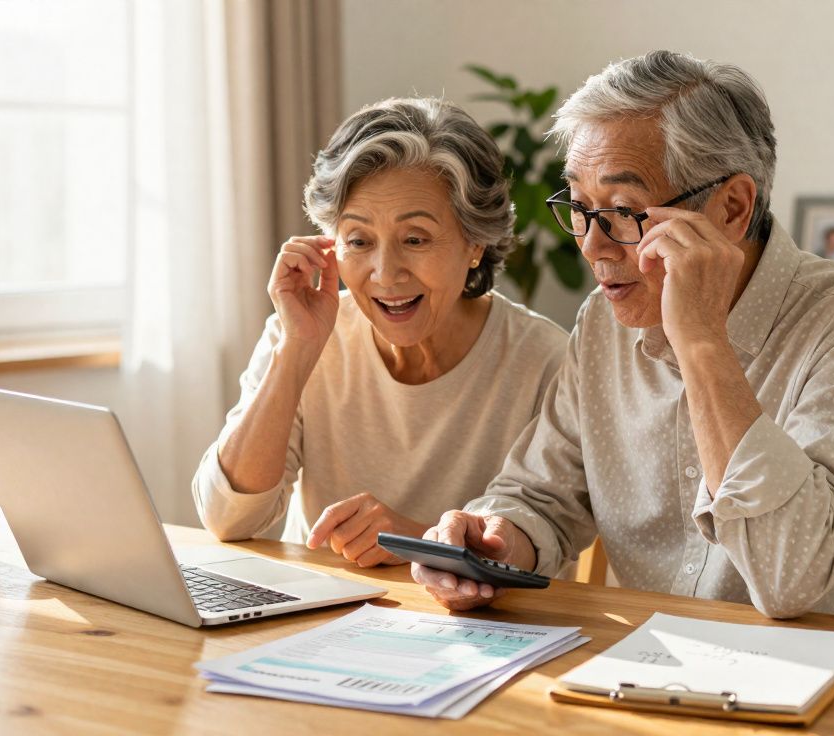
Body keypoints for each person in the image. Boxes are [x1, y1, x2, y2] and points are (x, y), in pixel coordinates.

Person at [413, 50, 834, 627]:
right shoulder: (602, 325)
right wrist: (490, 540)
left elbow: (791, 576)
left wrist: (702, 343)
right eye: (580, 208)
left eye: (622, 210)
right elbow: (542, 495)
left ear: (732, 208)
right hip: (667, 668)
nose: (592, 247)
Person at [192, 98, 568, 568]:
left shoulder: (545, 361)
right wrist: (297, 350)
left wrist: (416, 541)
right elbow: (228, 519)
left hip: (472, 629)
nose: (386, 274)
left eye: (415, 239)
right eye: (359, 241)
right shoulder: (302, 335)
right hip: (319, 620)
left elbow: (544, 545)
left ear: (475, 243)